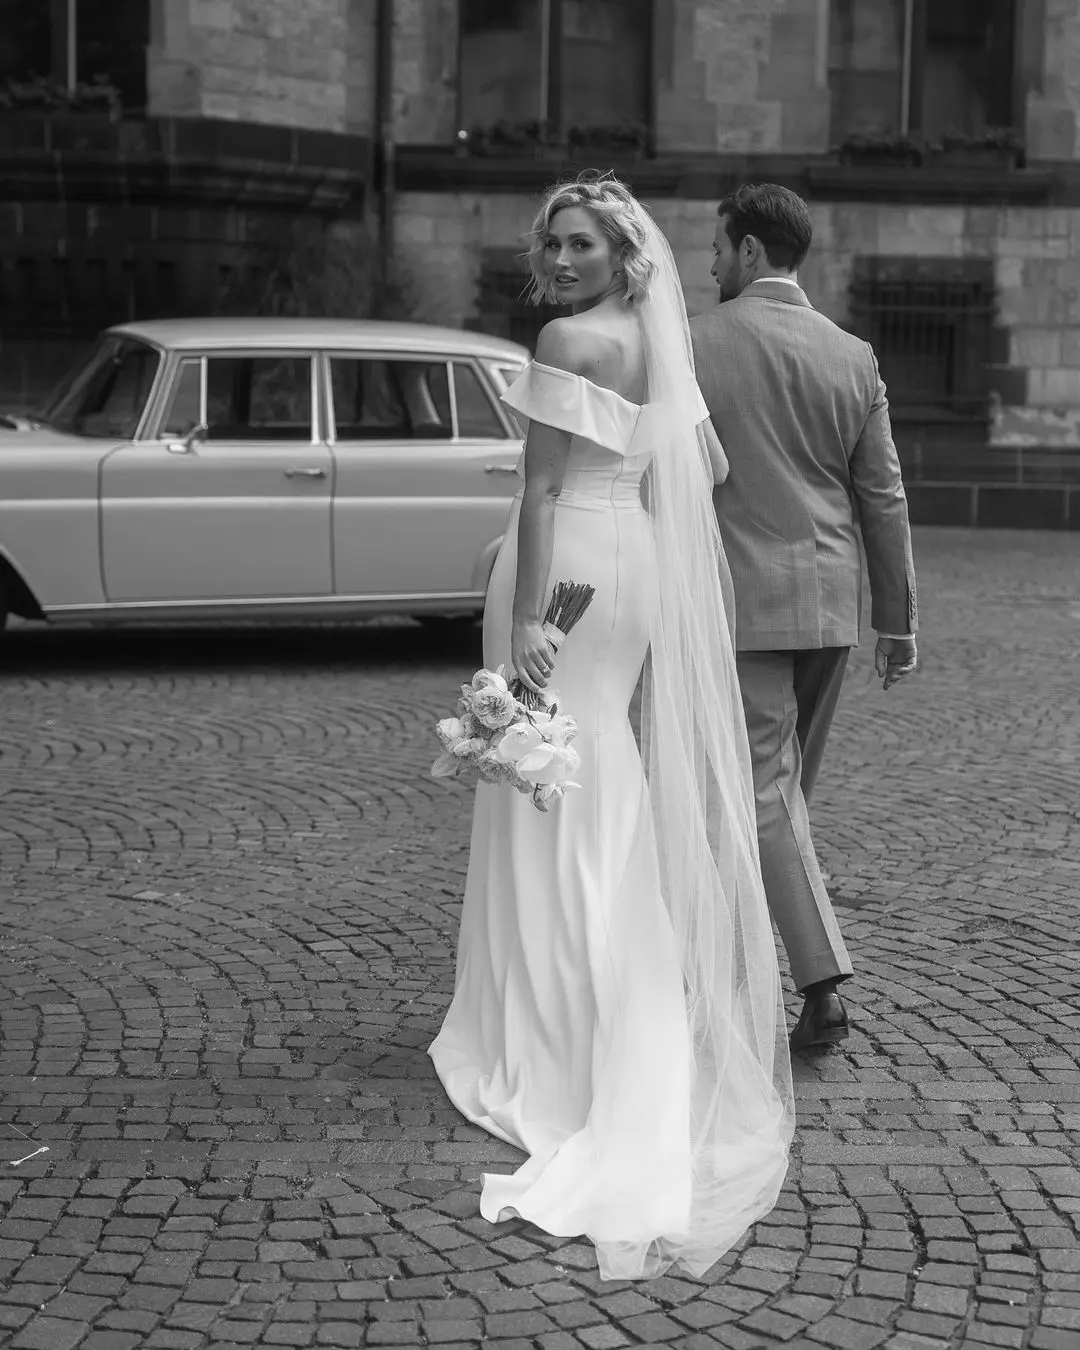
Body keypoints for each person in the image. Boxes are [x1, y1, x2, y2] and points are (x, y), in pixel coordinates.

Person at [428, 172, 793, 1281]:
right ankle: (616, 992)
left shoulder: (564, 340)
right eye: (557, 241)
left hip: (572, 566)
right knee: (599, 761)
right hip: (630, 561)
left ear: (620, 247)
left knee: (546, 759)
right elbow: (711, 469)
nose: (566, 256)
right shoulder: (657, 339)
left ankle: (540, 1025)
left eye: (583, 241)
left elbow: (538, 496)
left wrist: (532, 616)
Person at [689, 183, 919, 1054]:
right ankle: (745, 955)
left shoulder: (694, 345)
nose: (708, 264)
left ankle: (823, 984)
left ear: (751, 252)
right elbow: (883, 497)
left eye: (717, 247)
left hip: (742, 604)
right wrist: (896, 623)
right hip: (830, 607)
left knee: (766, 799)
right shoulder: (853, 355)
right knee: (780, 799)